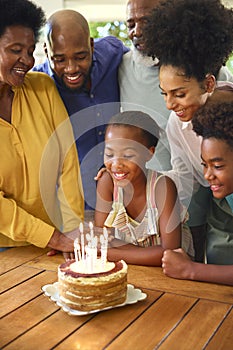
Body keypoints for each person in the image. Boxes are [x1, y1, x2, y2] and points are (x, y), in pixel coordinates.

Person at [143, 0, 233, 261]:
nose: (170, 105)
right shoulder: (177, 125)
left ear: (208, 83)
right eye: (165, 94)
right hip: (220, 208)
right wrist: (143, 180)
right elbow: (184, 180)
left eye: (179, 94)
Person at [0, 0, 84, 258]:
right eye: (16, 50)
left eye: (30, 51)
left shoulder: (42, 87)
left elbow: (68, 163)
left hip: (54, 247)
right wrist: (52, 237)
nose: (26, 61)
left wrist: (71, 230)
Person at [119, 0, 233, 173]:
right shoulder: (120, 65)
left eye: (180, 94)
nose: (137, 31)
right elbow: (182, 175)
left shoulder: (218, 79)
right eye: (131, 24)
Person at [33, 9, 129, 211]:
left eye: (80, 56)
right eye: (59, 59)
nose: (71, 68)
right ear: (46, 51)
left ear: (92, 46)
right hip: (75, 208)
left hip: (127, 200)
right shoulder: (37, 88)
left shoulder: (112, 53)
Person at [95, 111, 194, 266]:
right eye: (109, 154)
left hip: (170, 275)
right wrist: (109, 251)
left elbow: (170, 253)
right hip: (132, 269)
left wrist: (108, 253)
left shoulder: (163, 188)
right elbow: (101, 239)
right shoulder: (107, 182)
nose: (116, 164)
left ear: (149, 153)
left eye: (127, 156)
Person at [162, 101, 233, 286]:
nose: (208, 175)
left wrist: (190, 269)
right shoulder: (223, 201)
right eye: (204, 164)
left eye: (217, 166)